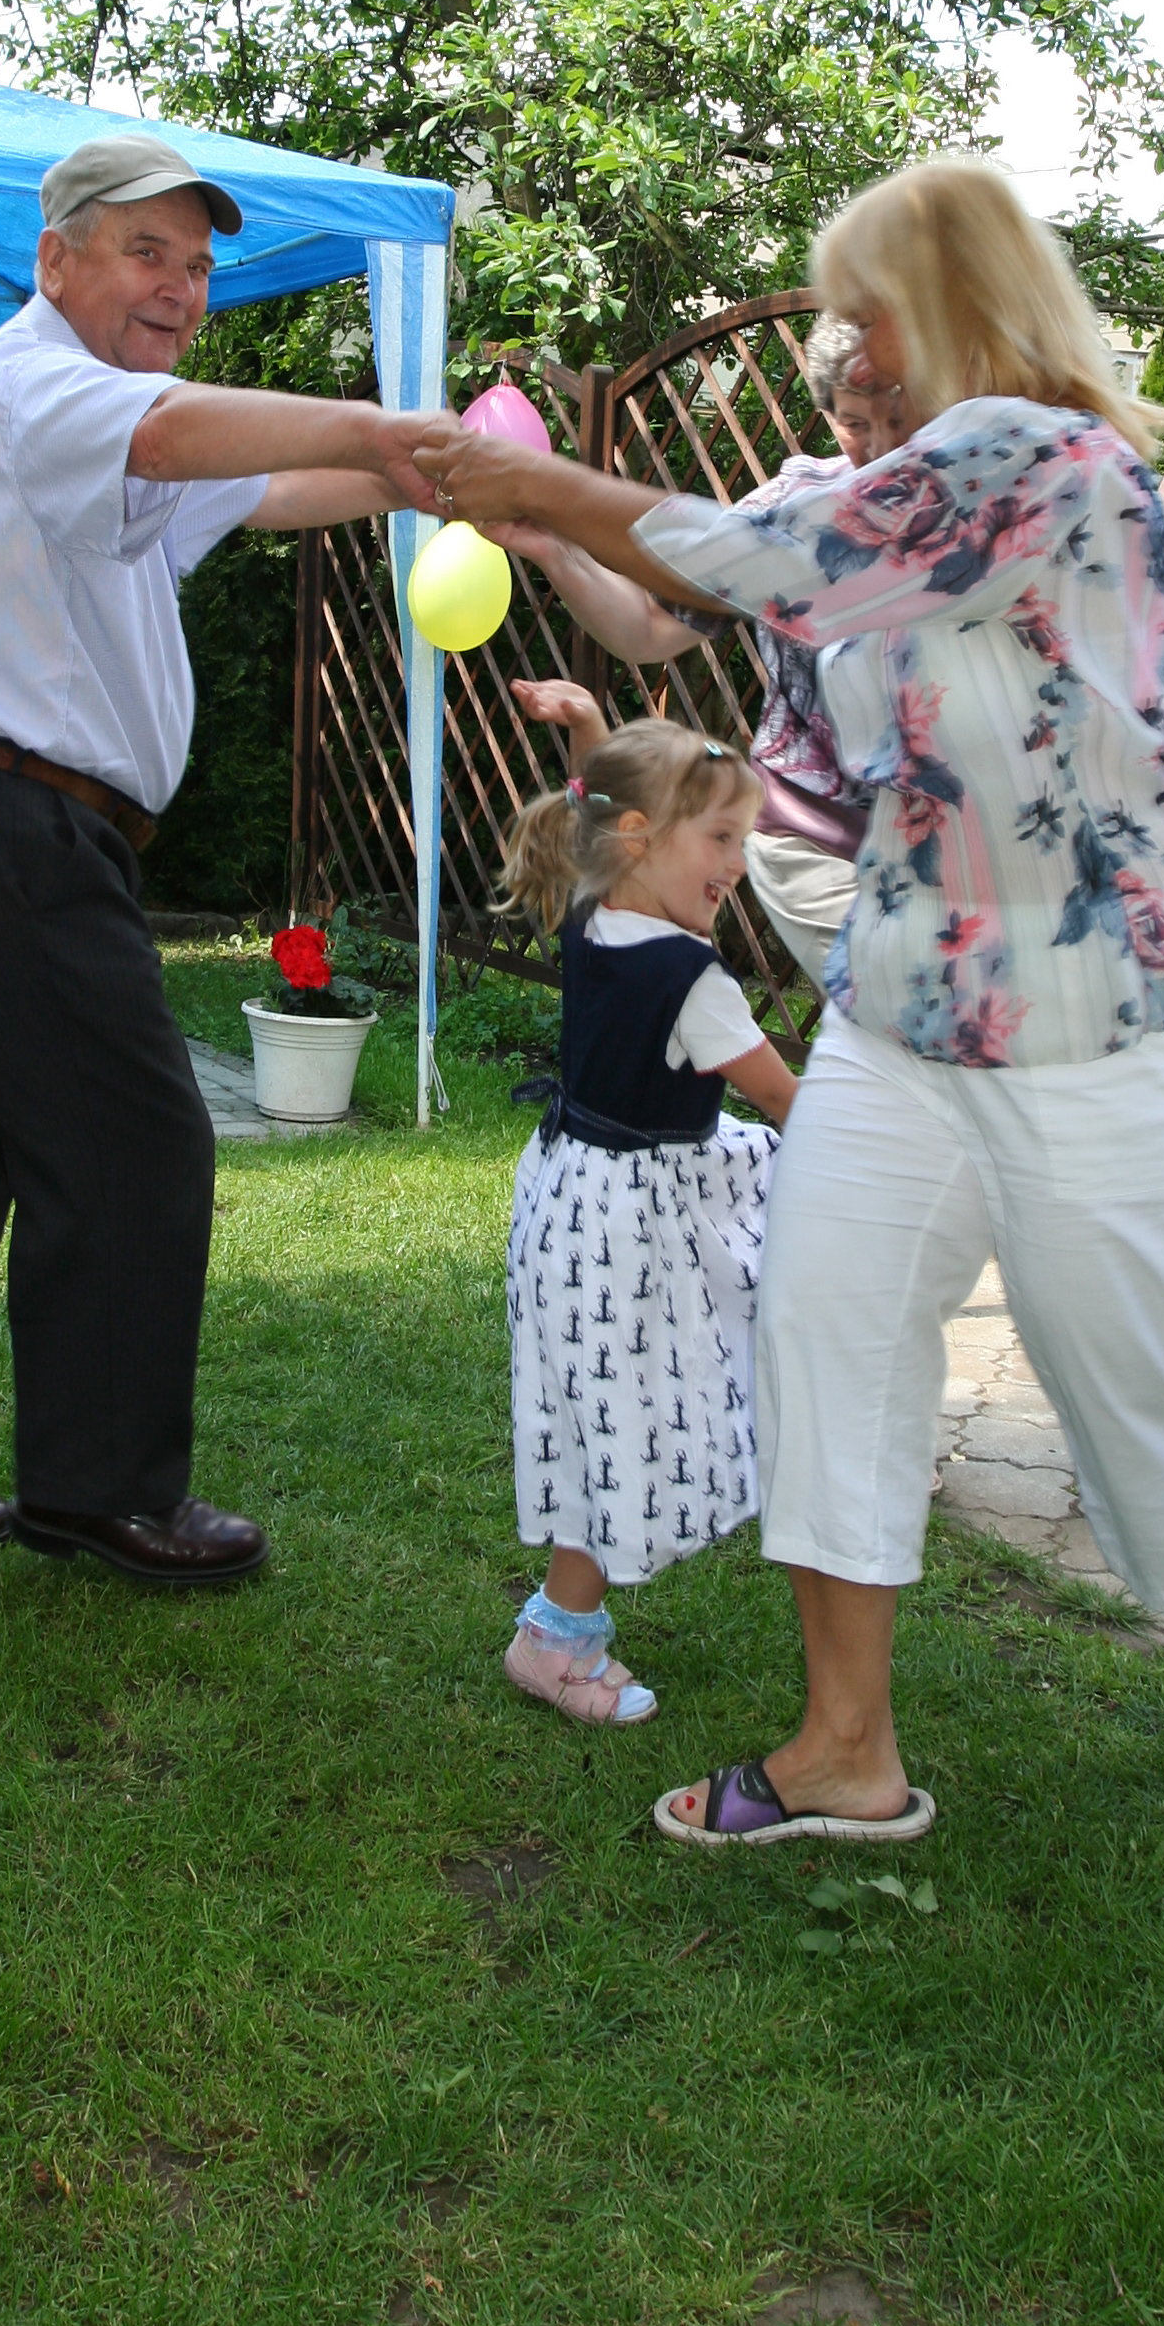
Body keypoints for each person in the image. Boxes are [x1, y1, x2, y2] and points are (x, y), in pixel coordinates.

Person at [422, 156, 1164, 1848]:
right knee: (822, 1324)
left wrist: (520, 477)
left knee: (1125, 1373)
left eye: (866, 315)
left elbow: (787, 561)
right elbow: (725, 590)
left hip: (1098, 1018)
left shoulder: (1043, 461)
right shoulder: (899, 479)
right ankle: (845, 1748)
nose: (848, 351)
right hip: (904, 1006)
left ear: (956, 304)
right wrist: (543, 519)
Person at [0, 135, 445, 1599]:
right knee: (138, 1147)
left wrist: (408, 472)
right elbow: (173, 433)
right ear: (57, 258)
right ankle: (100, 1495)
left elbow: (259, 487)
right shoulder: (33, 385)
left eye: (198, 266)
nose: (182, 288)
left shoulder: (83, 417)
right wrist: (376, 421)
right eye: (148, 253)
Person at [493, 713, 797, 1723]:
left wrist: (588, 728)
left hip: (572, 1199)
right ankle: (554, 1642)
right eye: (720, 837)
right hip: (632, 1231)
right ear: (637, 838)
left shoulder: (593, 909)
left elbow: (596, 807)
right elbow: (789, 1103)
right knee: (629, 1417)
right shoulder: (690, 980)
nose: (737, 863)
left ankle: (559, 1631)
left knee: (597, 1416)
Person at [494, 317, 914, 987]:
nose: (881, 445)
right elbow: (649, 628)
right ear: (828, 414)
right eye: (855, 424)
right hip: (815, 838)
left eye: (897, 417)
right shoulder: (793, 510)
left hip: (947, 848)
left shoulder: (980, 503)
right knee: (904, 1004)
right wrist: (553, 547)